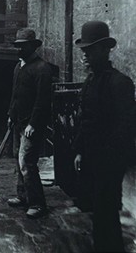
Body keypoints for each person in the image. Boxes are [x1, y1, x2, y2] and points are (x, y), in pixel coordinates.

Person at [73, 21, 136, 252]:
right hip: (93, 159)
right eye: (84, 51)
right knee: (98, 214)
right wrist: (80, 151)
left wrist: (108, 161)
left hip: (109, 163)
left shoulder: (120, 83)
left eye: (90, 51)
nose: (85, 56)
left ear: (104, 50)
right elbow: (85, 119)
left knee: (106, 213)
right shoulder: (90, 81)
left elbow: (126, 128)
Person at [7, 28, 53, 219]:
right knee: (19, 160)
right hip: (18, 122)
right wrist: (11, 114)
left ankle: (37, 203)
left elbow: (43, 100)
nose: (19, 49)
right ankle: (23, 196)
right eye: (17, 46)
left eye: (23, 46)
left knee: (27, 162)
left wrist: (33, 124)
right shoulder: (19, 67)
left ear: (32, 47)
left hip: (31, 125)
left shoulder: (42, 69)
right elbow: (15, 95)